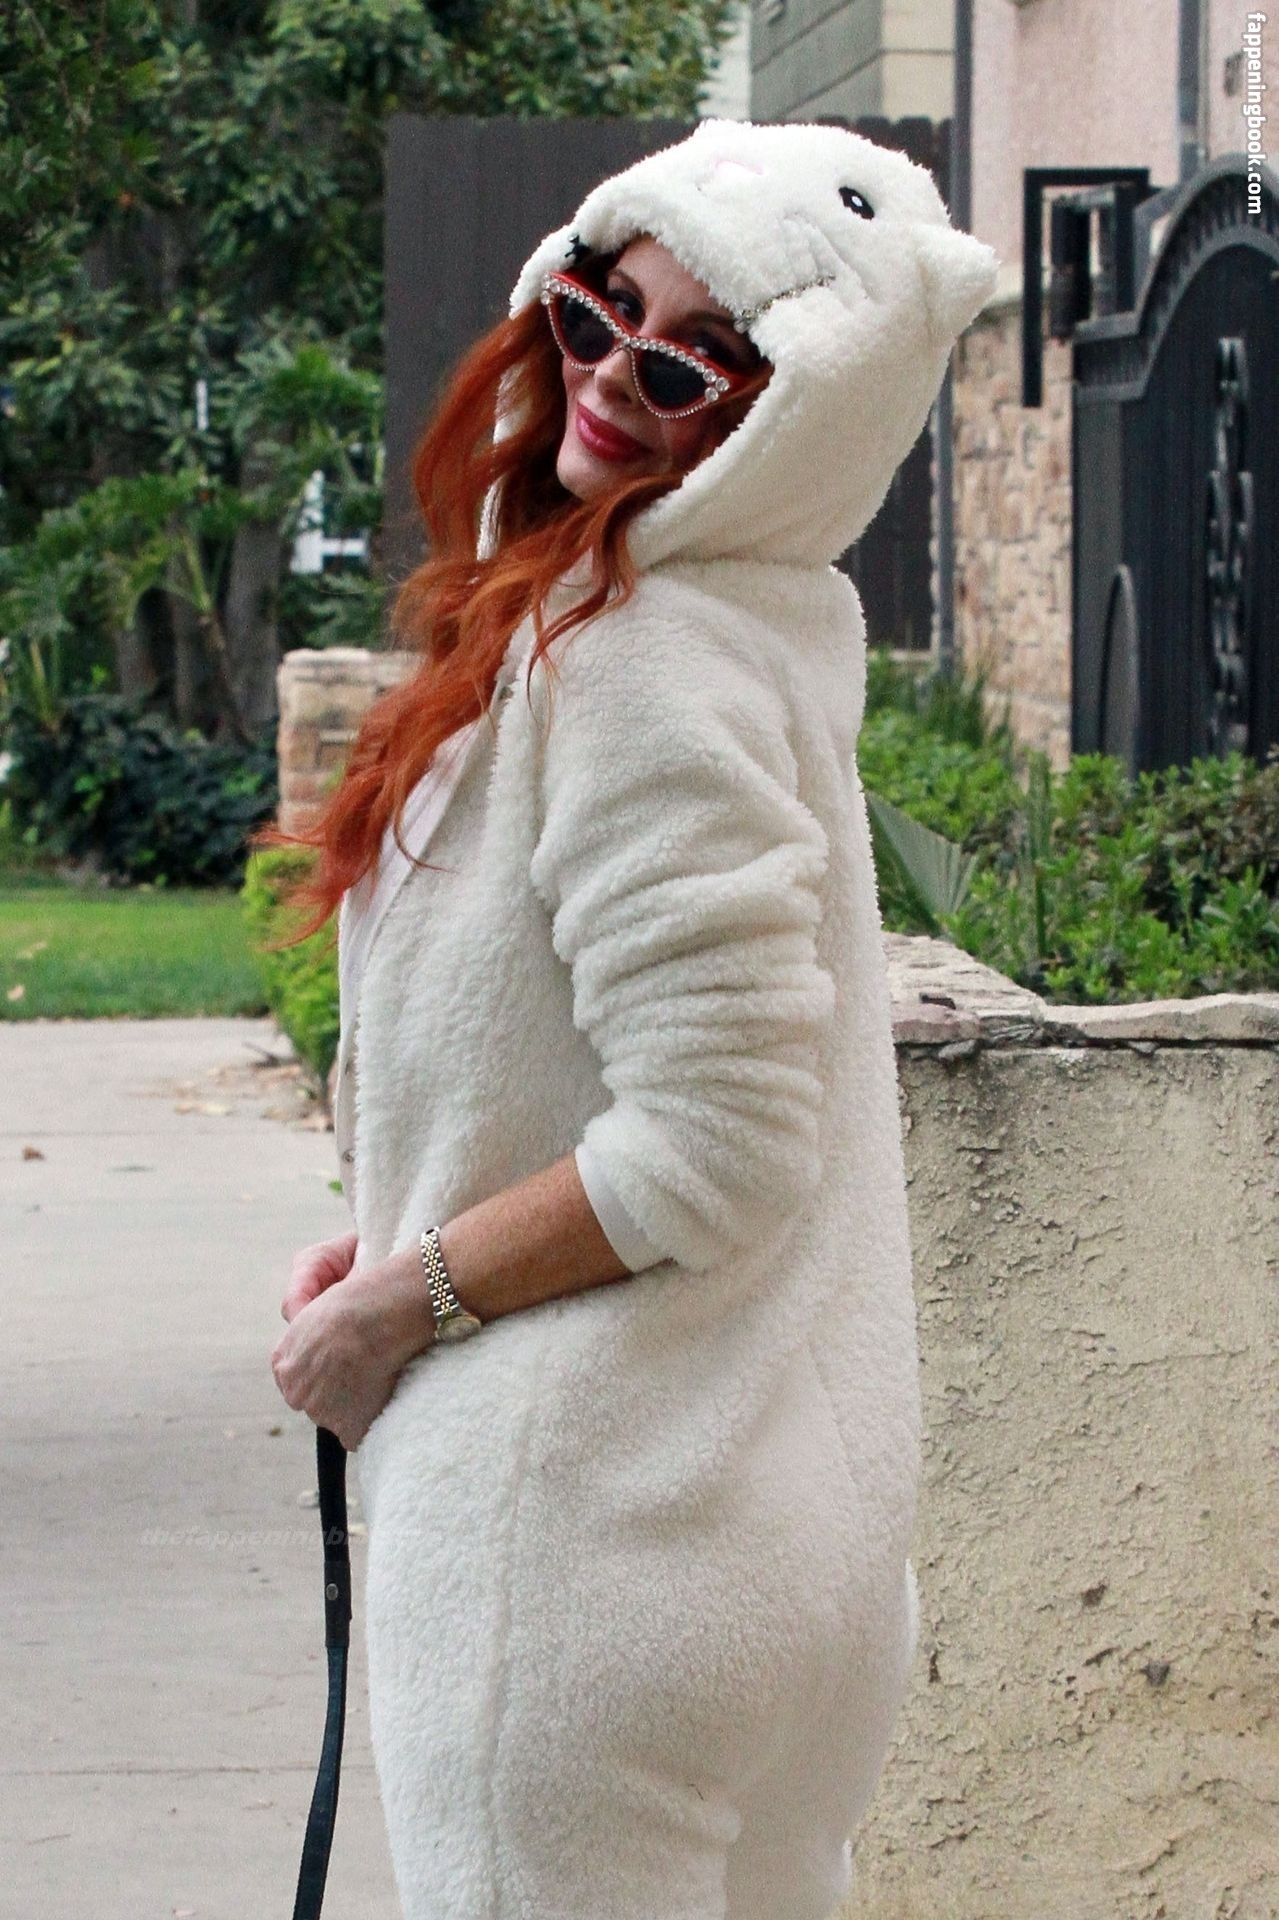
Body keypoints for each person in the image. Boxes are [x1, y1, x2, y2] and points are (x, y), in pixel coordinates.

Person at [261, 117, 998, 1920]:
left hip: (587, 1549)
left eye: (693, 364)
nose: (609, 378)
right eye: (599, 313)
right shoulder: (759, 627)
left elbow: (717, 1141)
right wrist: (422, 1212)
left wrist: (396, 1308)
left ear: (800, 416)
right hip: (763, 1538)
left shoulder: (638, 660)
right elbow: (638, 1059)